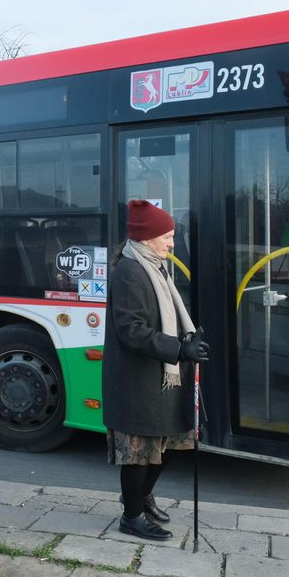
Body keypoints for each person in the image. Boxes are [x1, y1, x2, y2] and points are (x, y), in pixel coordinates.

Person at [103, 200, 210, 541]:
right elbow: (131, 330)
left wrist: (187, 334)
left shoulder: (154, 264)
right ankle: (131, 516)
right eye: (166, 236)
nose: (172, 243)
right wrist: (179, 349)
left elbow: (164, 313)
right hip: (137, 382)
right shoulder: (129, 272)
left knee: (169, 444)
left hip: (160, 378)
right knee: (139, 453)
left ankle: (141, 497)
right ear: (147, 238)